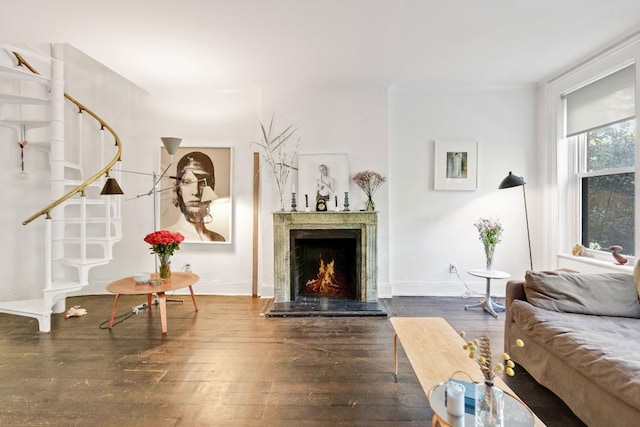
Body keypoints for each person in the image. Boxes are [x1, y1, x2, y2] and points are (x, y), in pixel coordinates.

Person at [167, 151, 225, 242]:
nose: (195, 191)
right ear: (178, 188)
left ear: (211, 187)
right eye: (187, 182)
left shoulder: (219, 239)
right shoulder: (167, 237)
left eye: (202, 182)